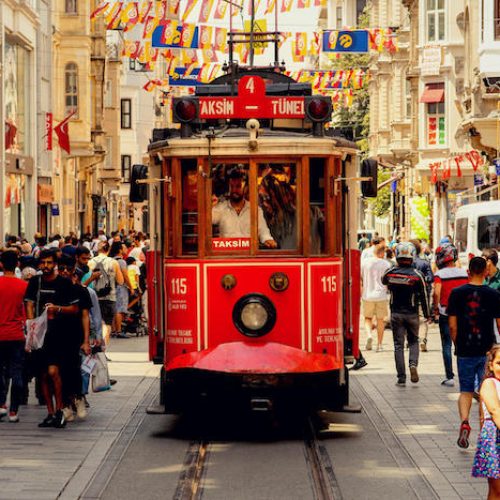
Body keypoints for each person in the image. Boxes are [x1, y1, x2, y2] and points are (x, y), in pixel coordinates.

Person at [448, 257, 500, 449]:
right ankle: (483, 434)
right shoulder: (494, 294)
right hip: (487, 350)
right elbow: (499, 324)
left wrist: (457, 343)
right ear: (485, 272)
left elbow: (452, 326)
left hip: (465, 349)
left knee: (466, 391)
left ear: (468, 271)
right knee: (486, 392)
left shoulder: (456, 293)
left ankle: (464, 421)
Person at [25, 250, 80, 428]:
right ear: (39, 264)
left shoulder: (64, 283)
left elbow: (75, 309)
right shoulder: (35, 281)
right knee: (42, 375)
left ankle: (60, 409)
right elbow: (29, 303)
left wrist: (57, 309)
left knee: (53, 372)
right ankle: (50, 412)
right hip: (40, 336)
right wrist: (31, 325)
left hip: (59, 335)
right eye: (43, 263)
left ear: (55, 264)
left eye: (49, 262)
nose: (46, 266)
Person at [382, 242, 431, 386]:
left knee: (398, 345)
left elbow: (383, 279)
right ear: (412, 257)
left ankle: (401, 377)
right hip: (412, 314)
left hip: (396, 314)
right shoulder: (417, 275)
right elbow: (424, 296)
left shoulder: (391, 273)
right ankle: (413, 365)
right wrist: (428, 314)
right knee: (414, 341)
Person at [56, 255, 91, 422]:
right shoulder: (54, 289)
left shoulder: (81, 291)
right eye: (61, 268)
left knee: (73, 369)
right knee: (59, 371)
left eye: (67, 269)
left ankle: (77, 398)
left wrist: (86, 340)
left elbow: (86, 316)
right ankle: (66, 404)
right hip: (55, 335)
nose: (63, 272)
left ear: (73, 270)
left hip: (74, 335)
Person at [212, 168, 277, 248]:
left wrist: (268, 240)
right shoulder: (221, 208)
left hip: (249, 256)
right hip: (227, 256)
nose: (234, 190)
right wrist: (210, 205)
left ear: (245, 188)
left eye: (238, 186)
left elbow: (263, 231)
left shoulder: (255, 210)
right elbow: (209, 219)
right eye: (232, 186)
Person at [433, 244, 468, 387]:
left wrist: (435, 308)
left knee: (447, 344)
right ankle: (464, 373)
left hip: (445, 313)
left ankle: (450, 376)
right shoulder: (464, 273)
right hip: (463, 313)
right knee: (461, 344)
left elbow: (437, 293)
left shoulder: (440, 275)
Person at [0, 251, 28, 423]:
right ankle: (14, 411)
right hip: (17, 334)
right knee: (17, 372)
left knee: (0, 372)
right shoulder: (23, 286)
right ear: (17, 265)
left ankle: (2, 404)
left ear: (1, 264)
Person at [471, 345, 500, 498]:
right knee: (497, 489)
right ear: (491, 364)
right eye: (499, 363)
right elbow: (495, 412)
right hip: (495, 438)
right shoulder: (489, 383)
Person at [89, 242, 124, 347]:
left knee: (96, 323)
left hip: (94, 297)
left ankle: (96, 344)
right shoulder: (114, 262)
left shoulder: (90, 262)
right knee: (107, 324)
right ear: (108, 250)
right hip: (110, 297)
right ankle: (103, 348)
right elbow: (121, 281)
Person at [361, 244, 390, 351]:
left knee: (367, 318)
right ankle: (380, 344)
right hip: (381, 295)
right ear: (382, 253)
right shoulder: (386, 264)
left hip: (367, 294)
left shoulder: (365, 263)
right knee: (380, 320)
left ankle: (369, 335)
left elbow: (361, 278)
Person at [410, 239, 434, 352]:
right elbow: (431, 277)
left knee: (410, 318)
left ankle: (411, 340)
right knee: (423, 318)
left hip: (409, 295)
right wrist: (423, 280)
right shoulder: (424, 263)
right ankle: (423, 339)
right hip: (423, 294)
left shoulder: (406, 264)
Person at [109, 242, 132, 338]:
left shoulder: (111, 260)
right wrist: (131, 287)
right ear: (120, 250)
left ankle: (114, 330)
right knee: (120, 309)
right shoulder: (121, 262)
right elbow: (125, 275)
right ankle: (119, 331)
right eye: (124, 248)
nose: (126, 249)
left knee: (115, 309)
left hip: (112, 286)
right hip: (120, 286)